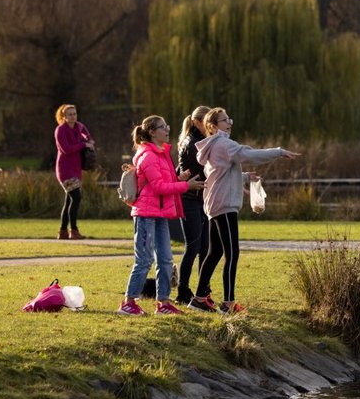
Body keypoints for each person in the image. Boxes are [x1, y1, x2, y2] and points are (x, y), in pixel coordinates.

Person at [193, 108, 301, 313]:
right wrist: (278, 152)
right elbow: (250, 154)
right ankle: (228, 303)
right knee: (232, 253)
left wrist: (243, 177)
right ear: (213, 126)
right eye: (225, 121)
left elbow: (219, 172)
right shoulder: (224, 144)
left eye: (229, 119)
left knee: (215, 252)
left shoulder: (213, 146)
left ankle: (199, 298)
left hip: (215, 204)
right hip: (224, 205)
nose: (230, 123)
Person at [119, 115, 203, 316]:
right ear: (152, 132)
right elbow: (158, 187)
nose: (167, 130)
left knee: (165, 259)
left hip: (160, 214)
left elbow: (165, 180)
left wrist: (179, 178)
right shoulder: (148, 155)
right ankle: (128, 302)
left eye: (167, 126)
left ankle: (163, 302)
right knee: (145, 259)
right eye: (163, 127)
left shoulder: (162, 153)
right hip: (146, 214)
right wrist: (186, 186)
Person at [175, 106, 211, 307]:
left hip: (200, 199)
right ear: (198, 122)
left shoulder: (199, 141)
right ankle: (183, 290)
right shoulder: (192, 143)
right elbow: (206, 169)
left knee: (204, 248)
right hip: (189, 199)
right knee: (194, 246)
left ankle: (202, 291)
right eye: (207, 121)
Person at [54, 104, 95, 239]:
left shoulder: (79, 126)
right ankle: (74, 230)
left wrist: (88, 141)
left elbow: (87, 135)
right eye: (70, 114)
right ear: (64, 116)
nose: (73, 116)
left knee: (69, 200)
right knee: (76, 197)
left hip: (76, 168)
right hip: (65, 169)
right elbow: (66, 149)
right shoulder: (60, 130)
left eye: (74, 113)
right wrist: (84, 144)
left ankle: (63, 232)